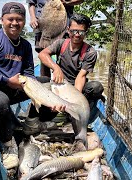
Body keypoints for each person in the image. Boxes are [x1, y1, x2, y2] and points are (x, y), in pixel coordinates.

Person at [0, 2, 64, 169]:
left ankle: (32, 123)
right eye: (10, 19)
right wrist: (6, 81)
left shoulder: (25, 46)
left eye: (19, 19)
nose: (14, 23)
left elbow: (28, 74)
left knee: (46, 84)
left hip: (13, 88)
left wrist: (46, 98)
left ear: (24, 21)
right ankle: (8, 145)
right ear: (2, 20)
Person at [37, 13, 104, 150]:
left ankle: (81, 117)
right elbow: (42, 54)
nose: (77, 35)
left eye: (81, 31)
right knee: (40, 91)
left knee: (96, 87)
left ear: (86, 32)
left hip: (76, 88)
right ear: (68, 30)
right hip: (59, 85)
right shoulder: (61, 43)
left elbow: (81, 76)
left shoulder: (90, 52)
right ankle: (59, 115)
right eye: (74, 31)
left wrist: (72, 102)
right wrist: (55, 67)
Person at [27, 0, 84, 77]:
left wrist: (66, 2)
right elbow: (31, 3)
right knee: (44, 56)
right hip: (42, 24)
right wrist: (33, 18)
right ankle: (45, 82)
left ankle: (65, 83)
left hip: (63, 24)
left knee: (65, 57)